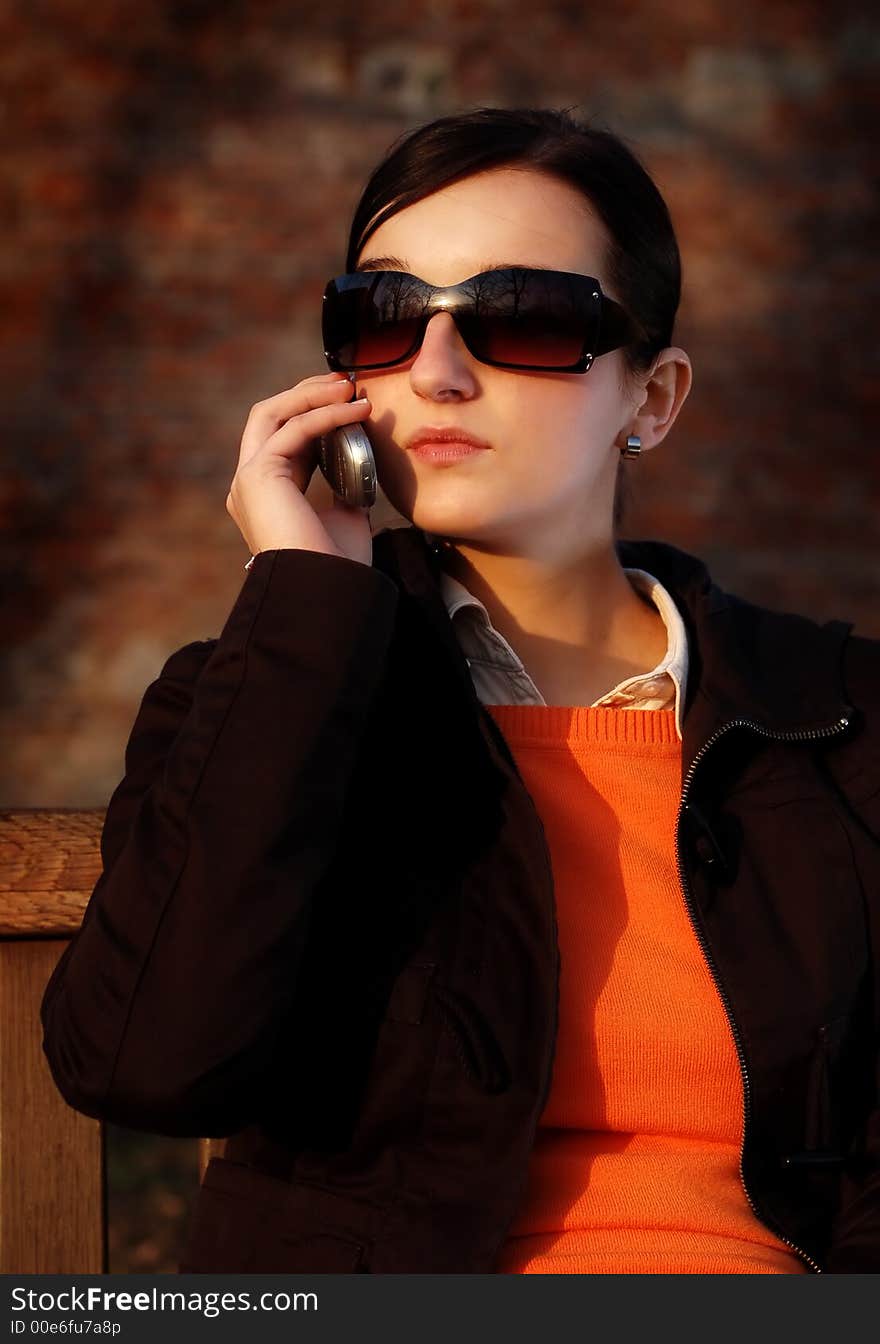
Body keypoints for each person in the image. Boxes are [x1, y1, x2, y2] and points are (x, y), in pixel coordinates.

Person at [40, 107, 880, 1275]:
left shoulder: (836, 722)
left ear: (653, 397)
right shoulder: (268, 692)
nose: (435, 372)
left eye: (523, 319)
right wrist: (299, 596)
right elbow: (144, 1061)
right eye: (384, 316)